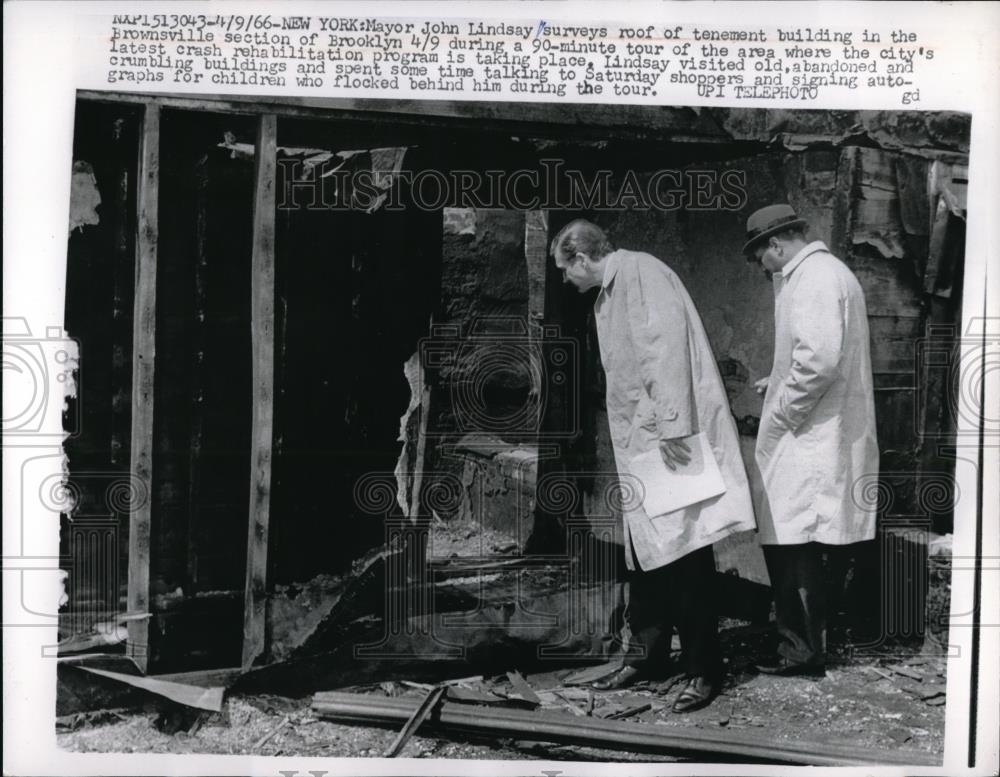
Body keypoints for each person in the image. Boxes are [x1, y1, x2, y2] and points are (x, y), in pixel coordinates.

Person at [550, 219, 756, 712]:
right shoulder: (608, 292)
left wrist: (673, 426)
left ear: (582, 258)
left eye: (564, 269)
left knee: (685, 552)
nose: (565, 280)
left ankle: (704, 669)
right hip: (644, 440)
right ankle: (647, 655)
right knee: (645, 553)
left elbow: (665, 353)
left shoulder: (642, 274)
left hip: (667, 438)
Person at [742, 204, 879, 677]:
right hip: (818, 430)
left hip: (810, 437)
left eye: (759, 256)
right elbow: (814, 355)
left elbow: (818, 362)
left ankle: (800, 651)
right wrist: (778, 378)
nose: (761, 267)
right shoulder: (825, 273)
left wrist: (782, 410)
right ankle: (801, 645)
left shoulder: (815, 279)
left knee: (793, 543)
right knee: (797, 540)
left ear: (775, 245)